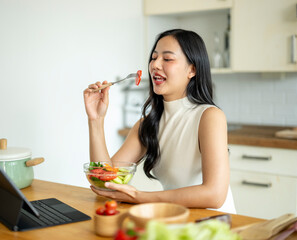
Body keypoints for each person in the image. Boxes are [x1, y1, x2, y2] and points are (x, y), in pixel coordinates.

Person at [83, 29, 235, 213]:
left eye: (167, 59)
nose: (155, 64)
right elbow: (106, 182)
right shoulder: (147, 125)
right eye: (154, 58)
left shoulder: (210, 117)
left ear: (192, 69)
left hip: (213, 224)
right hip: (174, 218)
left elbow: (215, 195)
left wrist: (139, 198)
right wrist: (96, 120)